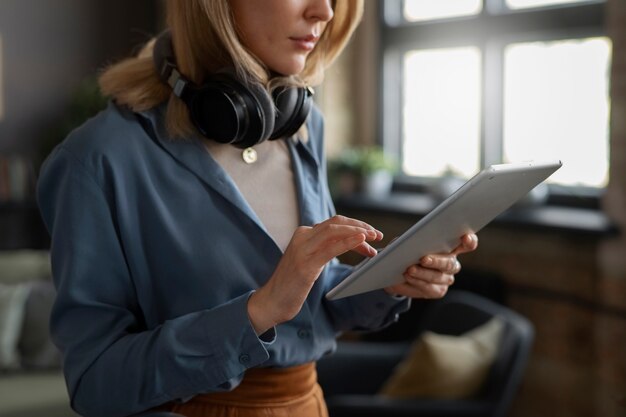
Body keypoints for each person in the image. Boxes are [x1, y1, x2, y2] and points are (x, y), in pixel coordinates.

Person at [37, 1, 478, 417]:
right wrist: (256, 313)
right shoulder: (96, 160)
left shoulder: (303, 126)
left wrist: (390, 280)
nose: (324, 11)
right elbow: (95, 383)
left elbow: (308, 305)